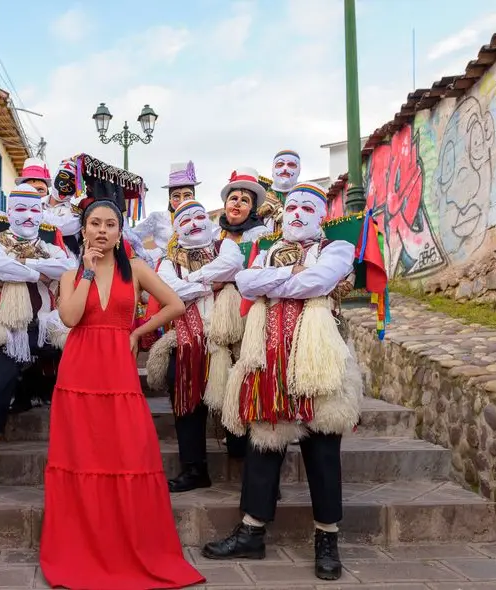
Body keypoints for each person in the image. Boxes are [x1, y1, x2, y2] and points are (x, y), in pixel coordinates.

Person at [39, 196, 204, 590]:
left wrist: (137, 331)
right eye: (94, 223)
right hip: (78, 373)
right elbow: (71, 317)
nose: (101, 230)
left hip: (118, 370)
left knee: (129, 452)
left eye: (110, 224)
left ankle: (128, 546)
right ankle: (82, 547)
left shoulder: (139, 269)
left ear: (119, 231)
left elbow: (176, 304)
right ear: (83, 229)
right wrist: (87, 273)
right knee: (81, 457)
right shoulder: (69, 275)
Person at [201, 182, 363, 581]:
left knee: (323, 450)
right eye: (291, 205)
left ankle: (327, 539)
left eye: (307, 206)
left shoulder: (336, 249)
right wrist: (290, 273)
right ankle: (251, 531)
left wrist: (275, 281)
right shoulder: (266, 249)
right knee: (264, 444)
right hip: (269, 358)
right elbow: (246, 282)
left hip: (318, 362)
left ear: (321, 215)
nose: (296, 212)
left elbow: (319, 283)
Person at [0, 183, 77, 499]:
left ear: (42, 213)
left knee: (82, 367)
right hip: (5, 327)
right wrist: (40, 271)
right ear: (9, 212)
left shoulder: (54, 248)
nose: (28, 216)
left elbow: (67, 268)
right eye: (21, 209)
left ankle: (83, 454)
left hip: (45, 326)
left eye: (34, 209)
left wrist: (25, 267)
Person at [145, 199, 247, 492]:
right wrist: (209, 284)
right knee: (185, 400)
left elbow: (233, 267)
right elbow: (169, 292)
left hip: (227, 339)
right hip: (186, 339)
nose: (194, 223)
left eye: (200, 216)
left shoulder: (224, 246)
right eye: (186, 220)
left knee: (235, 400)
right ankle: (194, 469)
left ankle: (245, 464)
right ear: (177, 229)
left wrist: (191, 281)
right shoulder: (166, 261)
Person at [132, 161, 200, 262]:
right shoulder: (157, 217)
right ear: (170, 199)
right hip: (164, 270)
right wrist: (147, 256)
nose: (181, 200)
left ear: (193, 197)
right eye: (176, 196)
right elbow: (133, 237)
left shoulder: (201, 219)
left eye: (187, 195)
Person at [218, 167, 271, 244]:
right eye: (234, 198)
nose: (237, 203)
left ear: (252, 209)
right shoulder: (213, 234)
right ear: (225, 205)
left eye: (244, 201)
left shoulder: (262, 236)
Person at [257, 150, 301, 232]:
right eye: (280, 165)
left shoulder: (306, 196)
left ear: (299, 170)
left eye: (291, 165)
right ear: (273, 170)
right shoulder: (260, 198)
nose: (285, 169)